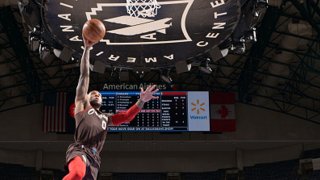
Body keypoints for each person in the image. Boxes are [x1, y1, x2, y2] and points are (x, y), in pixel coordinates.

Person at [63, 36, 159, 180]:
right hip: (80, 150)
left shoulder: (106, 118)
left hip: (95, 159)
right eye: (93, 93)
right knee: (77, 174)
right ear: (87, 97)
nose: (96, 94)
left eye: (99, 94)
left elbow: (127, 116)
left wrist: (141, 101)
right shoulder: (83, 105)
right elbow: (84, 75)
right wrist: (87, 49)